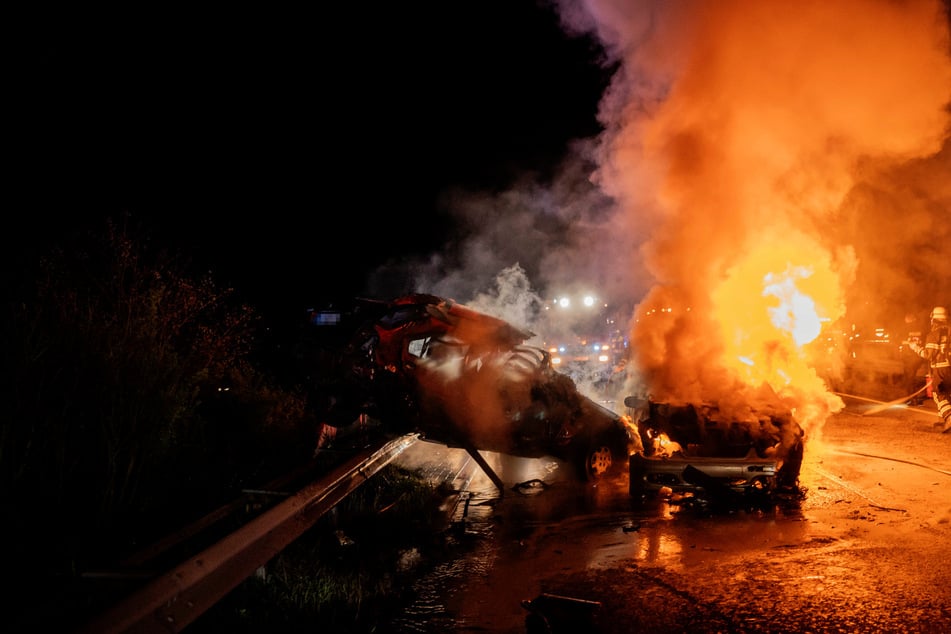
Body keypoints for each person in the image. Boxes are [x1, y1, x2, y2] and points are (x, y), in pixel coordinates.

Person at [909, 306, 951, 432]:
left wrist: (915, 347)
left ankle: (949, 417)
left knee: (939, 394)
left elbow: (928, 354)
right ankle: (942, 420)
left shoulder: (934, 334)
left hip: (941, 369)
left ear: (934, 319)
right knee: (949, 394)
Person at [900, 312, 926, 405]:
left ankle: (911, 399)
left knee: (909, 379)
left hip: (909, 357)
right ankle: (914, 398)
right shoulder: (921, 329)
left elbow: (902, 341)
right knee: (914, 378)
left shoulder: (906, 329)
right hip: (918, 356)